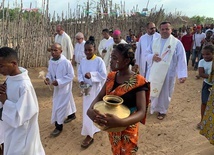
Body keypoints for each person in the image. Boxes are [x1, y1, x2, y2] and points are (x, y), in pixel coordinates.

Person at [87, 44, 150, 155]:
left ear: (126, 61)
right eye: (111, 57)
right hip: (112, 125)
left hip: (128, 126)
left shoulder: (139, 81)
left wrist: (120, 122)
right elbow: (99, 97)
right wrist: (90, 110)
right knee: (115, 150)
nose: (111, 61)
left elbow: (141, 111)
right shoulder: (111, 76)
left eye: (115, 58)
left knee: (128, 152)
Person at [0, 47, 45, 154]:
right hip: (11, 133)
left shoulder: (25, 86)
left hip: (22, 138)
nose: (0, 70)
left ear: (14, 63)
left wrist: (5, 102)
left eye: (1, 66)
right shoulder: (10, 79)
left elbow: (21, 117)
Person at [145, 21, 187, 120]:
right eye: (162, 29)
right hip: (155, 71)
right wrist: (152, 57)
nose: (164, 31)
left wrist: (182, 74)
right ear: (159, 30)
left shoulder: (176, 43)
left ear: (171, 30)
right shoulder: (155, 41)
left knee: (165, 92)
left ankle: (162, 110)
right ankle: (154, 107)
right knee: (154, 89)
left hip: (168, 72)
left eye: (167, 29)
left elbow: (181, 58)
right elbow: (147, 54)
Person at [78, 36, 107, 148]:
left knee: (94, 110)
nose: (87, 52)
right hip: (87, 89)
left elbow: (104, 75)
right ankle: (91, 129)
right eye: (86, 50)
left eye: (90, 50)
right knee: (87, 109)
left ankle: (90, 134)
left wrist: (92, 75)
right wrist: (81, 80)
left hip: (96, 90)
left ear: (94, 49)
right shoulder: (83, 61)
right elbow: (80, 72)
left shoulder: (99, 61)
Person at [45, 43, 77, 137]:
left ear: (61, 51)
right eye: (52, 50)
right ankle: (72, 115)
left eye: (56, 50)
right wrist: (48, 79)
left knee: (59, 106)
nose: (53, 52)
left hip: (64, 87)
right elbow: (50, 73)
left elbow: (71, 75)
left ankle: (58, 126)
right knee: (66, 101)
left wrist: (59, 81)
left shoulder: (66, 62)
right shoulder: (51, 61)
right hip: (57, 87)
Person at [197, 45, 214, 129]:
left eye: (208, 54)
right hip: (207, 84)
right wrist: (211, 77)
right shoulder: (201, 62)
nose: (205, 56)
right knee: (204, 102)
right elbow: (201, 74)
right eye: (203, 54)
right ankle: (202, 120)